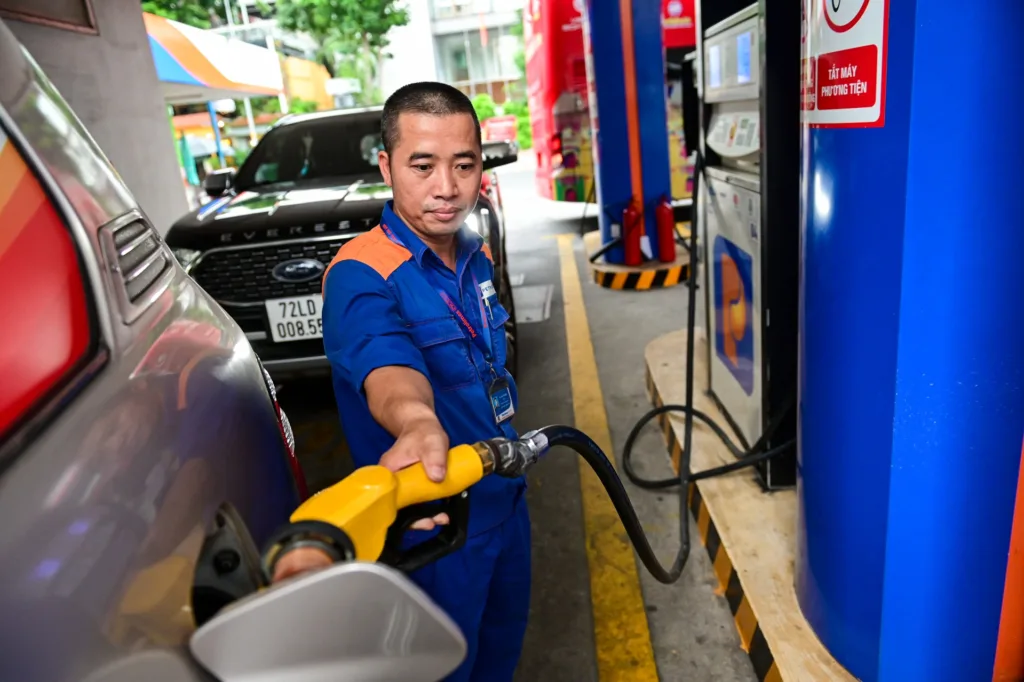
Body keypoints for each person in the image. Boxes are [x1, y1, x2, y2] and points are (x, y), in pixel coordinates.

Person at [272, 82, 530, 682]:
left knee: (501, 657)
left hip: (505, 497)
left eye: (463, 165)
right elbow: (385, 363)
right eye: (423, 166)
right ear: (387, 167)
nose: (447, 187)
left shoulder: (475, 254)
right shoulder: (361, 274)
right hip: (435, 528)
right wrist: (415, 421)